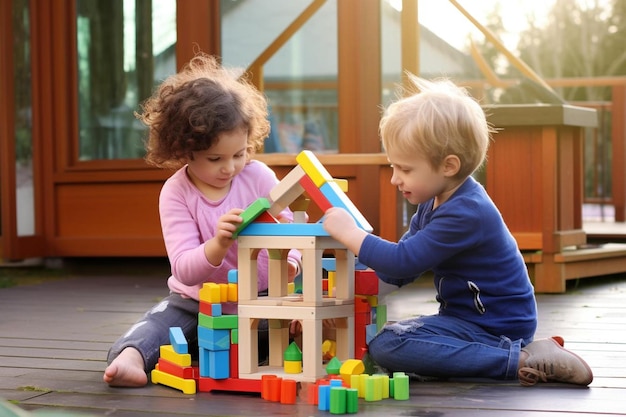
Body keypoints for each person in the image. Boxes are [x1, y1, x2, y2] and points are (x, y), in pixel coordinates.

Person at [322, 74, 593, 387]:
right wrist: (344, 298)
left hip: (495, 326)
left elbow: (402, 261)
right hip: (464, 322)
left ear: (448, 166)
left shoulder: (467, 212)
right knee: (393, 336)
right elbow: (400, 274)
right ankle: (503, 354)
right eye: (393, 166)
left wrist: (351, 234)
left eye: (405, 169)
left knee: (388, 345)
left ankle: (520, 359)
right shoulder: (433, 201)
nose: (395, 179)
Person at [103, 53, 301, 387]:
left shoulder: (258, 177)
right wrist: (218, 244)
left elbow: (293, 230)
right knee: (154, 330)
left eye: (239, 154)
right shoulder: (177, 192)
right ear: (184, 150)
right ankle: (130, 361)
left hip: (265, 300)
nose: (229, 168)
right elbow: (184, 267)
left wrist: (292, 262)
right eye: (215, 158)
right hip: (195, 305)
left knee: (300, 322)